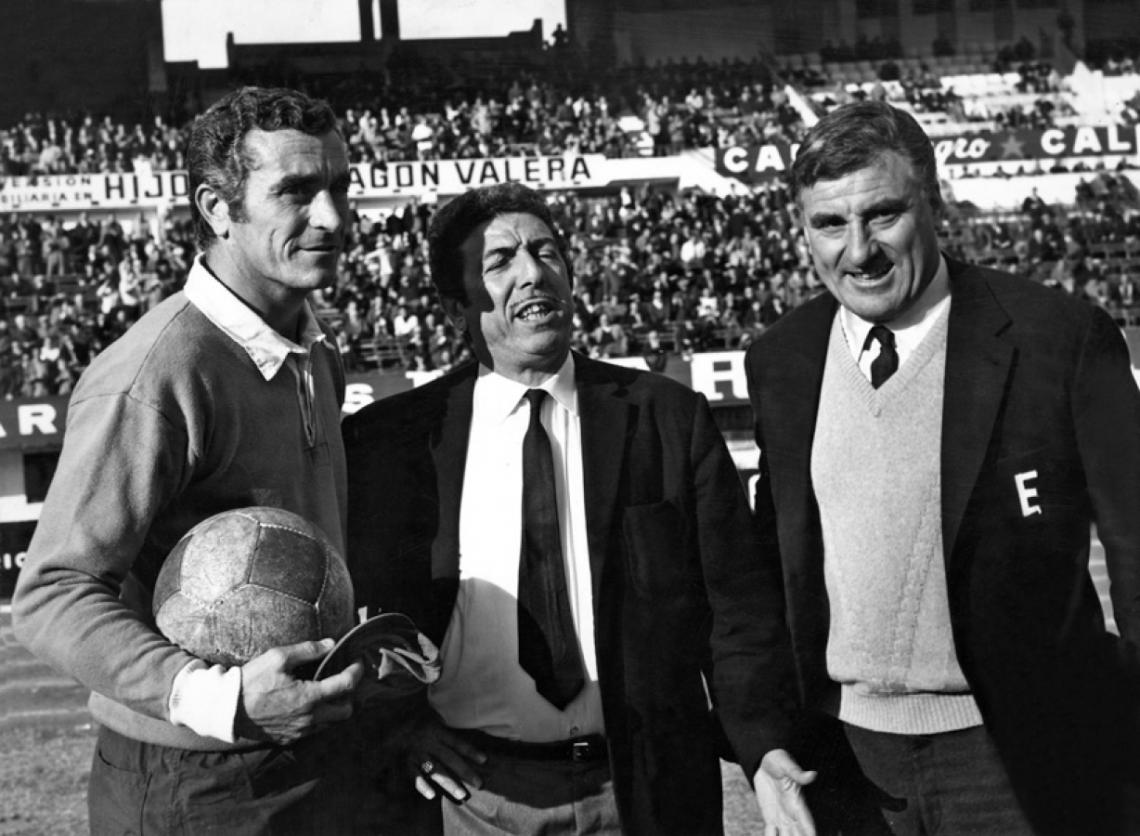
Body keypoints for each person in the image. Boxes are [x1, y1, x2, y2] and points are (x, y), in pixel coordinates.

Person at [343, 182, 814, 835]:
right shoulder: (393, 443)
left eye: (547, 252)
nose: (534, 273)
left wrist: (764, 748)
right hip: (470, 801)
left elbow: (737, 613)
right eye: (500, 261)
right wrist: (402, 726)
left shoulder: (666, 419)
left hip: (645, 791)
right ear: (457, 306)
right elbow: (361, 619)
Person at [744, 100, 1140, 835]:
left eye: (883, 215)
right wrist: (766, 733)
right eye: (829, 224)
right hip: (847, 762)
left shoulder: (1059, 336)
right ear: (801, 230)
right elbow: (770, 569)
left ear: (933, 201)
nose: (858, 250)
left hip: (1018, 752)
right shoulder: (782, 359)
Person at [12, 86, 365, 834]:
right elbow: (51, 595)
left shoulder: (315, 347)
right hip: (192, 782)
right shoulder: (157, 374)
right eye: (297, 192)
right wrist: (221, 699)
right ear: (216, 209)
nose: (333, 218)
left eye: (339, 186)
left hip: (309, 752)